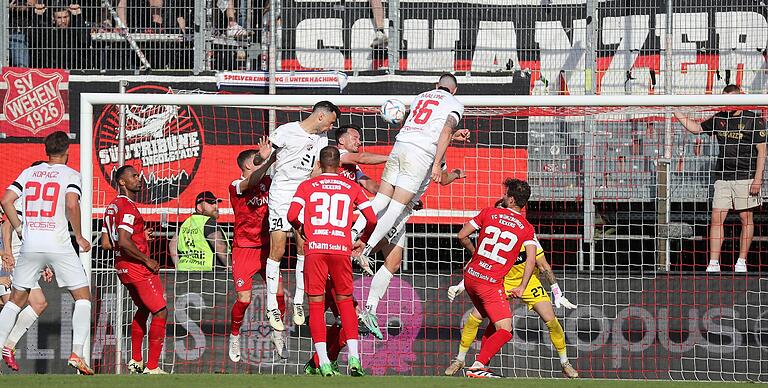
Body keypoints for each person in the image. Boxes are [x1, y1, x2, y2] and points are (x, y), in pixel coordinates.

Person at [444, 199, 579, 378]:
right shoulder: (500, 234)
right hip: (501, 281)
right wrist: (460, 285)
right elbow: (481, 264)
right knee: (477, 317)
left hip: (528, 282)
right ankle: (461, 360)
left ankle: (565, 363)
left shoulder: (526, 236)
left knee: (551, 320)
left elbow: (543, 265)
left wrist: (556, 292)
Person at [0, 131, 93, 375]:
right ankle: (77, 353)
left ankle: (3, 346)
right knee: (82, 297)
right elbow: (72, 204)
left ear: (45, 150)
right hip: (58, 243)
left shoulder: (29, 173)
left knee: (15, 303)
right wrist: (80, 235)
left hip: (30, 245)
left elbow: (6, 200)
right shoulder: (71, 174)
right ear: (67, 152)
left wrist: (21, 229)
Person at [353, 74, 465, 268]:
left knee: (380, 200)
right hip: (419, 155)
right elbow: (444, 131)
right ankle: (365, 251)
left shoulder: (420, 97)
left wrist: (452, 137)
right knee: (396, 208)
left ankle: (351, 234)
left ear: (436, 85)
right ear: (454, 90)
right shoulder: (455, 103)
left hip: (400, 146)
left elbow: (429, 128)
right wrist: (437, 164)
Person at [286, 146, 378, 377]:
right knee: (346, 303)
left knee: (316, 306)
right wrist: (362, 241)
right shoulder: (351, 186)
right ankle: (355, 359)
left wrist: (301, 228)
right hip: (340, 249)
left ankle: (324, 362)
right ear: (339, 165)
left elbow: (290, 215)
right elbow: (372, 219)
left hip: (315, 249)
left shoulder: (307, 186)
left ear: (319, 163)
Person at [674, 84, 767, 273]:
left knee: (745, 218)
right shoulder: (720, 118)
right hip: (723, 177)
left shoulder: (753, 119)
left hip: (746, 177)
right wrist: (678, 114)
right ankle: (713, 263)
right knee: (716, 218)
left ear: (741, 98)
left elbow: (762, 151)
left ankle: (741, 261)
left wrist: (758, 179)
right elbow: (696, 128)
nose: (728, 104)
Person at [266, 101, 339, 330]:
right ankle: (271, 306)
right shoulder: (285, 131)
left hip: (303, 195)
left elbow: (316, 168)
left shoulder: (322, 140)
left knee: (303, 246)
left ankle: (298, 301)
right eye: (331, 122)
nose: (330, 127)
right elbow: (264, 158)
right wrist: (259, 159)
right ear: (320, 116)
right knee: (278, 249)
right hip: (280, 195)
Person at [457, 178, 539, 379]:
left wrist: (476, 253)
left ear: (511, 200)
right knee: (506, 329)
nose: (502, 197)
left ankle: (482, 365)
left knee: (495, 322)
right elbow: (531, 259)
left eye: (505, 194)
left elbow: (461, 235)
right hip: (490, 284)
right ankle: (477, 366)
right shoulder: (526, 227)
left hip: (471, 277)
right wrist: (522, 286)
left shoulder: (489, 212)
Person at [227, 139, 290, 363]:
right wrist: (269, 158)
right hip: (244, 249)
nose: (261, 164)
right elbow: (251, 181)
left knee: (280, 294)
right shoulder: (236, 185)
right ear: (247, 165)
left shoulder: (270, 182)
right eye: (256, 161)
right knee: (244, 300)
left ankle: (278, 333)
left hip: (268, 248)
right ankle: (234, 336)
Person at [104, 165, 167, 374]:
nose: (139, 179)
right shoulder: (128, 206)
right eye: (134, 176)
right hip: (136, 266)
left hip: (122, 266)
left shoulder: (112, 206)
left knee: (143, 309)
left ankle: (136, 360)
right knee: (161, 311)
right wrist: (146, 259)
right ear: (122, 182)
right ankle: (152, 366)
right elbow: (123, 240)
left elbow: (107, 242)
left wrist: (139, 239)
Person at [0, 161, 53, 372]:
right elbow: (6, 225)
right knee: (10, 305)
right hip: (12, 259)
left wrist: (45, 263)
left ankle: (8, 346)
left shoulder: (42, 201)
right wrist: (7, 253)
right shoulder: (23, 198)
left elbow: (36, 238)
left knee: (37, 304)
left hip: (27, 259)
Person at [169, 191, 230, 270]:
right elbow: (220, 246)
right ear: (199, 207)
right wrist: (230, 267)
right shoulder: (208, 222)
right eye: (211, 203)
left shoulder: (185, 223)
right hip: (208, 275)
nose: (216, 206)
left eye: (216, 203)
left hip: (184, 272)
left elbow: (172, 244)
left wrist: (178, 265)